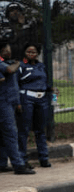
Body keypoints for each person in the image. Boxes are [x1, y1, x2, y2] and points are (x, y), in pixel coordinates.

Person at [0, 43, 34, 174]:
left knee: (3, 136)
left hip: (10, 102)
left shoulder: (6, 63)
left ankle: (2, 163)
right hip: (3, 103)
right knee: (10, 133)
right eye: (8, 49)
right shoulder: (5, 64)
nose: (10, 51)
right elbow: (10, 70)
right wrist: (18, 63)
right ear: (2, 49)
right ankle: (18, 165)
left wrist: (17, 103)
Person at [16, 44, 51, 167]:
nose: (31, 54)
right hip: (26, 98)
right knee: (24, 130)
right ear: (25, 52)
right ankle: (22, 160)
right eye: (28, 51)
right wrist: (17, 102)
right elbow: (16, 84)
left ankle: (44, 158)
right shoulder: (21, 65)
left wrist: (51, 89)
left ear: (38, 53)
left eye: (34, 52)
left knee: (40, 129)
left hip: (41, 99)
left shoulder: (41, 66)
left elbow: (44, 82)